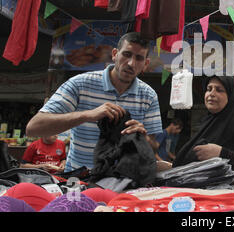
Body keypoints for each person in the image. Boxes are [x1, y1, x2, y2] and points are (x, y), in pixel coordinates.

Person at [25, 32, 163, 172]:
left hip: (125, 180)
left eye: (138, 58)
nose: (131, 63)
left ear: (145, 64)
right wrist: (88, 115)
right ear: (115, 54)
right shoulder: (80, 84)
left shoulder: (148, 95)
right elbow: (33, 128)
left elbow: (153, 147)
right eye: (126, 54)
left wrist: (141, 137)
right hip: (80, 179)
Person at [173, 76, 234, 173]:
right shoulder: (208, 122)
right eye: (209, 89)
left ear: (230, 96)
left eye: (219, 90)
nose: (211, 93)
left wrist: (222, 153)